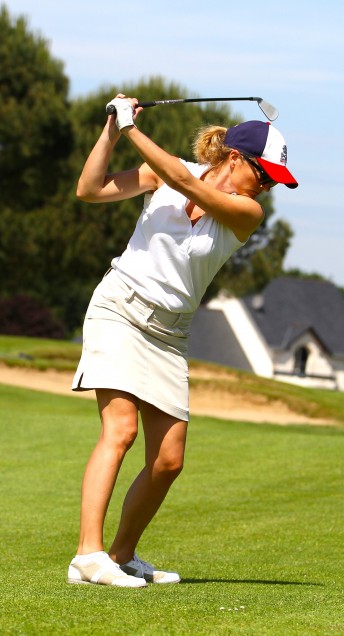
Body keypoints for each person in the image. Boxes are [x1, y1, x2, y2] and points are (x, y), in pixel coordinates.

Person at [66, 95, 298, 587]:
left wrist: (133, 131)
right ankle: (88, 556)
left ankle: (122, 553)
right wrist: (112, 129)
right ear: (235, 158)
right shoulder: (165, 174)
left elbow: (185, 181)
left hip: (171, 334)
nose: (267, 187)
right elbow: (89, 189)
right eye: (264, 174)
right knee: (120, 431)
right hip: (119, 308)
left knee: (169, 461)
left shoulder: (244, 211)